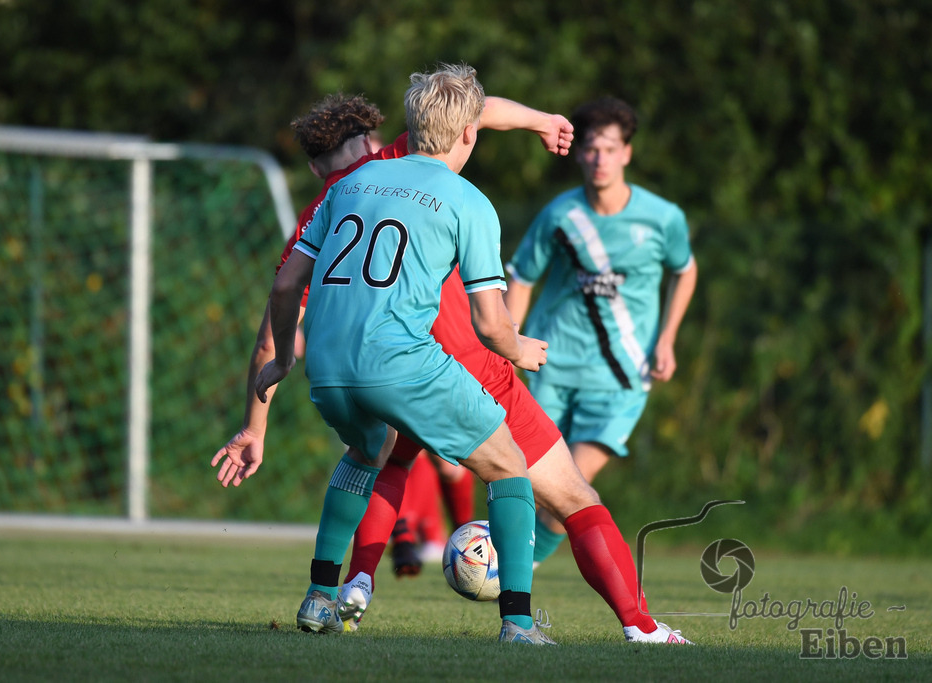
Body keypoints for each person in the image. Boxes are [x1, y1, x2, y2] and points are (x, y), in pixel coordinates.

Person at [215, 87, 692, 645]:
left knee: (377, 456)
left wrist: (256, 424)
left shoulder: (331, 199)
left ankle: (344, 584)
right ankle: (617, 625)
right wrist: (542, 121)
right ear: (373, 139)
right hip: (453, 362)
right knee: (561, 493)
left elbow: (279, 307)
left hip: (342, 366)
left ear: (316, 166)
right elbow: (475, 111)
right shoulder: (414, 166)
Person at [218, 64, 559, 645]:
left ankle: (320, 596)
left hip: (328, 371)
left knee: (366, 451)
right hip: (400, 364)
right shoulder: (469, 201)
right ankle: (519, 624)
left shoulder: (346, 188)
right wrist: (521, 348)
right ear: (469, 132)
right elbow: (490, 325)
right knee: (509, 466)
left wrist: (282, 367)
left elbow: (284, 287)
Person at [503, 96, 699, 569]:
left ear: (627, 153)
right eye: (591, 149)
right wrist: (509, 342)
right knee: (529, 480)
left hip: (621, 376)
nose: (600, 159)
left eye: (610, 149)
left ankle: (519, 568)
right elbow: (522, 277)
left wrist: (667, 338)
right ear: (579, 154)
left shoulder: (662, 218)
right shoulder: (560, 215)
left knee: (573, 484)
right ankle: (509, 567)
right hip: (551, 367)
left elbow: (685, 270)